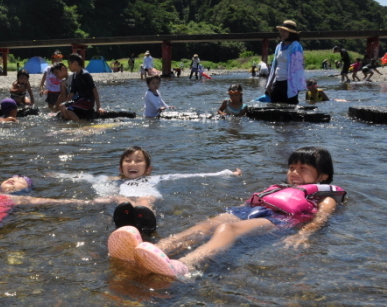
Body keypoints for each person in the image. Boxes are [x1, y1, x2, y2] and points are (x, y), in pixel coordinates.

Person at [108, 146, 345, 279]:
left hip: (280, 220)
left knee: (226, 228)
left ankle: (186, 265)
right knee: (206, 224)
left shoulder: (323, 196)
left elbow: (322, 217)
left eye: (303, 169)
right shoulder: (280, 187)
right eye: (292, 167)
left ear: (322, 177)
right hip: (250, 211)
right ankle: (153, 252)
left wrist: (303, 235)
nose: (294, 173)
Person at [57, 146, 241, 241]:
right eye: (128, 161)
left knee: (146, 199)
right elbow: (86, 177)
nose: (133, 164)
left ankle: (146, 221)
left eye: (138, 161)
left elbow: (190, 174)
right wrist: (58, 175)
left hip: (147, 198)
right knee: (119, 199)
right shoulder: (116, 180)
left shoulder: (154, 178)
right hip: (125, 201)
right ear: (121, 167)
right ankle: (124, 218)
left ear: (148, 169)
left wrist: (226, 173)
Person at [266, 20, 305, 104]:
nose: (282, 33)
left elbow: (298, 68)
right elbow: (275, 66)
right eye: (281, 31)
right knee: (275, 107)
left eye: (285, 31)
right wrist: (269, 83)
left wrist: (296, 87)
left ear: (291, 33)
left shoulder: (296, 46)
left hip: (289, 83)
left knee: (290, 110)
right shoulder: (279, 46)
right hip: (277, 82)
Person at [59, 53, 105, 122]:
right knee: (62, 106)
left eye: (69, 64)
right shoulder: (74, 75)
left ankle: (80, 123)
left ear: (75, 63)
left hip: (87, 101)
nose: (68, 66)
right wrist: (66, 103)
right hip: (80, 100)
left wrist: (98, 107)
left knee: (68, 110)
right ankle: (71, 120)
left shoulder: (85, 74)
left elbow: (94, 90)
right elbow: (72, 93)